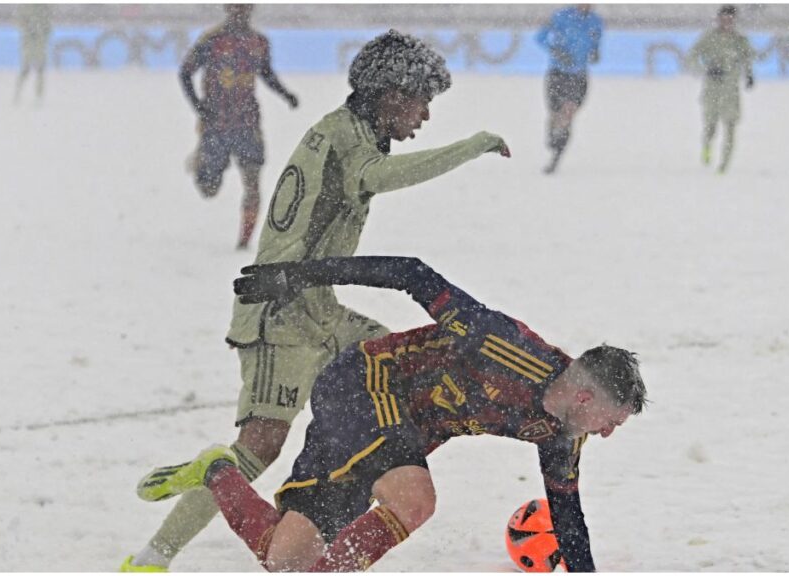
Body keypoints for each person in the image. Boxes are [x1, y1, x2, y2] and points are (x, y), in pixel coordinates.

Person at [121, 30, 510, 572]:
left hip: (316, 308)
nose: (423, 116)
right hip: (277, 317)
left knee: (386, 368)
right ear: (390, 93)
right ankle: (153, 555)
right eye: (421, 101)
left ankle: (337, 505)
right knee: (258, 449)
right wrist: (472, 146)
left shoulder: (354, 132)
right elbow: (385, 177)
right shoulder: (344, 138)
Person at [137, 255, 647, 572]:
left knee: (286, 559)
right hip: (362, 383)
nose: (605, 434)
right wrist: (300, 276)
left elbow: (568, 520)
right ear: (585, 397)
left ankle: (215, 470)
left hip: (392, 438)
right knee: (415, 500)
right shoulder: (499, 342)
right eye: (611, 420)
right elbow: (411, 273)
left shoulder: (564, 435)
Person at [179, 4, 300, 250]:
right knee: (209, 188)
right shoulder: (211, 40)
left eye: (244, 7)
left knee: (253, 180)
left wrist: (286, 94)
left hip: (247, 123)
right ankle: (202, 164)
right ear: (227, 8)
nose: (240, 11)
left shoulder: (259, 42)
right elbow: (185, 72)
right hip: (216, 124)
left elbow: (266, 73)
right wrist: (199, 107)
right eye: (235, 7)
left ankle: (244, 241)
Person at [685, 5, 755, 174]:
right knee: (711, 126)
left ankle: (724, 165)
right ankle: (707, 146)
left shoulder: (739, 39)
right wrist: (704, 70)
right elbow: (692, 56)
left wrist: (749, 75)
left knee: (730, 127)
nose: (727, 22)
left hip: (730, 91)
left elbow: (748, 57)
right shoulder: (709, 37)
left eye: (730, 19)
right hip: (712, 90)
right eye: (724, 19)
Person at [535, 4, 604, 174]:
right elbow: (540, 37)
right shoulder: (561, 16)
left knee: (568, 112)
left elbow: (595, 43)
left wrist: (595, 52)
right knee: (555, 113)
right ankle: (552, 132)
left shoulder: (596, 21)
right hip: (557, 73)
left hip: (578, 75)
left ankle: (557, 155)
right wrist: (557, 52)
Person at [13, 4, 52, 104]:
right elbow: (19, 21)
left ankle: (39, 96)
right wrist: (28, 28)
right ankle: (17, 94)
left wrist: (42, 33)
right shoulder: (26, 7)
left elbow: (48, 26)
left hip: (39, 42)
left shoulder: (45, 7)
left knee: (39, 70)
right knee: (26, 69)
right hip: (30, 42)